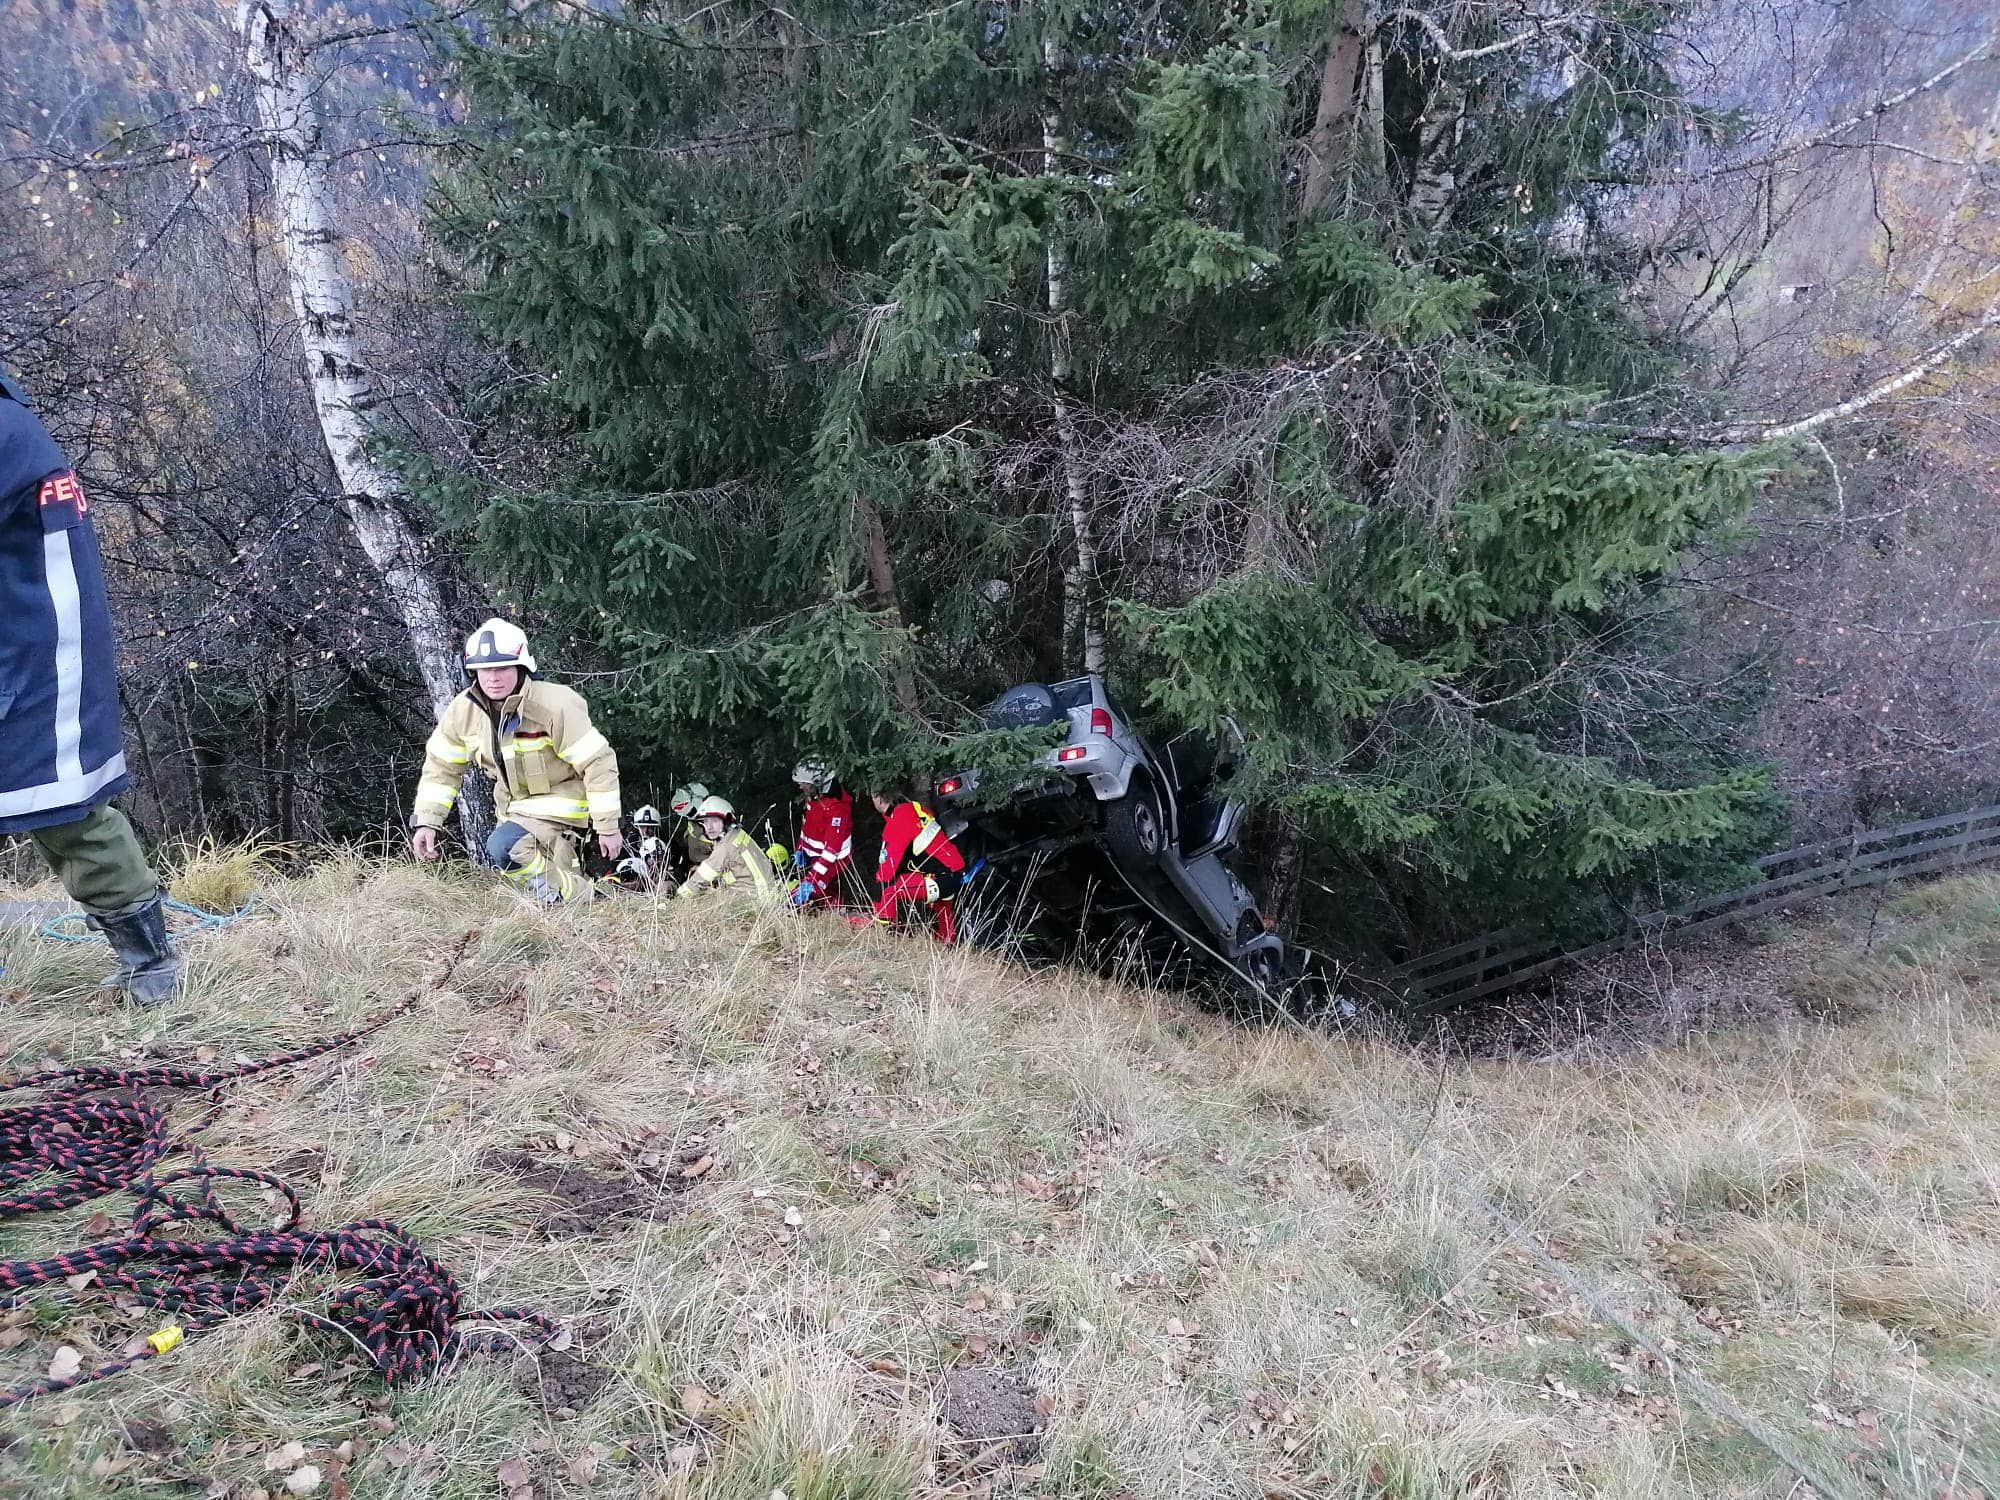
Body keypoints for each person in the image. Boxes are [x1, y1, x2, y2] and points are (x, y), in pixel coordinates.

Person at [0, 370, 182, 1005]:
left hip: (38, 649)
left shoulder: (6, 430)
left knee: (67, 809)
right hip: (24, 638)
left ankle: (150, 963)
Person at [409, 618, 622, 903]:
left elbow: (599, 762)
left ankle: (580, 897)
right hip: (514, 811)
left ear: (521, 667)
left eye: (502, 668)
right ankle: (583, 901)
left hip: (562, 805)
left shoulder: (554, 705)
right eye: (484, 669)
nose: (493, 677)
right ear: (472, 672)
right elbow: (441, 769)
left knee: (504, 846)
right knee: (538, 880)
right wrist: (427, 822)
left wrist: (607, 826)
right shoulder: (463, 712)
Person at [864, 787, 966, 941]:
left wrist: (878, 887)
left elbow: (887, 870)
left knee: (886, 890)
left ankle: (886, 939)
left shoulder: (899, 819)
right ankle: (948, 946)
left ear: (878, 799)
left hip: (941, 877)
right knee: (944, 918)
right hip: (954, 872)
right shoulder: (914, 809)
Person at [675, 795, 779, 900]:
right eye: (706, 821)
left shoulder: (725, 846)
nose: (709, 827)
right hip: (765, 896)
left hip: (752, 902)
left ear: (727, 820)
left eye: (714, 821)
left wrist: (678, 898)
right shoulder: (738, 835)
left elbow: (701, 878)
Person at [788, 761, 853, 909]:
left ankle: (837, 913)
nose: (800, 787)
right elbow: (808, 827)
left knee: (806, 897)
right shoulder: (816, 796)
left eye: (804, 783)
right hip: (813, 858)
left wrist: (812, 880)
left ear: (817, 782)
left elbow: (831, 852)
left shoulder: (837, 809)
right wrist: (800, 850)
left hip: (832, 863)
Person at [668, 782, 714, 880]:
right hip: (694, 879)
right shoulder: (690, 829)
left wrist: (702, 870)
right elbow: (687, 857)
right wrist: (681, 868)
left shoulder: (717, 828)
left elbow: (726, 860)